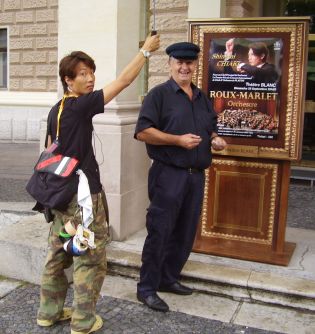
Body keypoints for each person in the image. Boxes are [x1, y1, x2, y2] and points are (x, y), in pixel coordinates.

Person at [36, 33, 160, 334]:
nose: (90, 79)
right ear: (69, 80)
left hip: (60, 196)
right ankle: (83, 322)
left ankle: (47, 314)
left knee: (58, 253)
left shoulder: (58, 108)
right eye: (82, 74)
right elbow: (123, 82)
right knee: (89, 258)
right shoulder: (80, 106)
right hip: (82, 201)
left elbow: (50, 147)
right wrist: (144, 51)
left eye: (91, 73)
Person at [134, 42, 227, 312]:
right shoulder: (159, 95)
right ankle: (146, 288)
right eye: (179, 62)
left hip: (196, 177)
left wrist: (216, 139)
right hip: (168, 175)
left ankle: (168, 278)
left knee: (185, 231)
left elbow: (210, 128)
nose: (184, 67)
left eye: (190, 63)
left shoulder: (202, 97)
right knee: (160, 231)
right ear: (170, 64)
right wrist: (176, 140)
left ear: (196, 65)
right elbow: (143, 132)